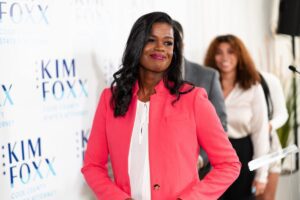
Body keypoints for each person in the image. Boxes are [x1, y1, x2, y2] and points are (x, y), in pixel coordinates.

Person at [81, 12, 241, 200]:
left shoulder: (193, 99)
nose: (160, 48)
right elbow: (92, 166)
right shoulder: (111, 99)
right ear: (136, 44)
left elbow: (229, 164)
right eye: (151, 40)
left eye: (168, 43)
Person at [204, 34, 270, 200]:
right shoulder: (204, 86)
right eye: (219, 52)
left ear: (240, 55)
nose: (224, 57)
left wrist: (261, 175)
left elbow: (260, 133)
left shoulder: (253, 88)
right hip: (211, 155)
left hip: (243, 155)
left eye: (231, 52)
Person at [173, 20, 227, 179]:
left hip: (199, 172)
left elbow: (220, 123)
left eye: (174, 41)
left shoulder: (208, 76)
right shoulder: (150, 78)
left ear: (182, 43)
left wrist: (201, 158)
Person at [257, 71, 288, 200]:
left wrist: (269, 126)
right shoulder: (220, 80)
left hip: (269, 150)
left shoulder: (268, 80)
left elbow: (282, 114)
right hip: (240, 152)